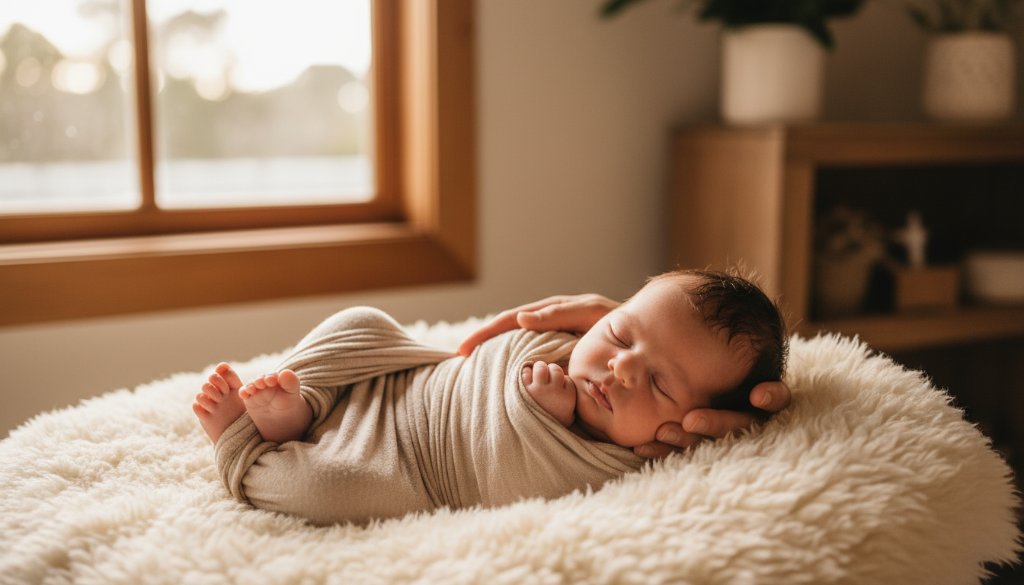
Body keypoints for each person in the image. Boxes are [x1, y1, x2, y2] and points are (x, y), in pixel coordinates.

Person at [193, 268, 788, 525]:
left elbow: (517, 474)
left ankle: (246, 442)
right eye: (620, 333)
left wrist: (544, 413)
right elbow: (477, 361)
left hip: (410, 466)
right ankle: (307, 403)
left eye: (659, 383)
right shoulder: (570, 338)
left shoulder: (642, 458)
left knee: (329, 488)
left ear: (697, 418)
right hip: (405, 382)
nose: (622, 368)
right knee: (362, 321)